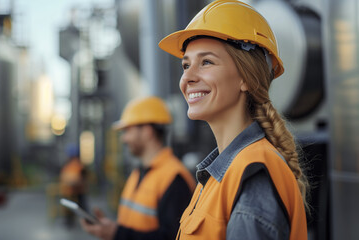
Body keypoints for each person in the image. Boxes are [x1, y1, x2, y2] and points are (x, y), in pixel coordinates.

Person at [158, 0, 309, 239]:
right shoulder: (219, 174)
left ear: (246, 79)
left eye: (206, 62)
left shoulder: (251, 176)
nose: (187, 77)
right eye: (185, 65)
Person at [81, 96, 196, 240]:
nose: (124, 138)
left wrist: (117, 234)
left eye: (128, 130)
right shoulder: (139, 172)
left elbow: (172, 237)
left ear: (147, 131)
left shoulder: (175, 178)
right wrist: (109, 228)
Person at [60, 144, 87, 227]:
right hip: (71, 191)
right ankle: (83, 219)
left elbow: (81, 179)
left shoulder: (75, 166)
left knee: (78, 205)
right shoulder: (76, 165)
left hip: (76, 190)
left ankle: (72, 220)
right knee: (78, 206)